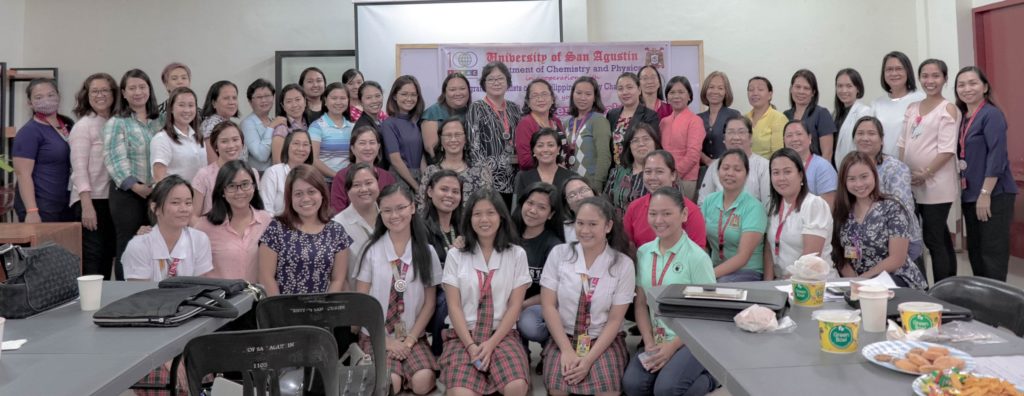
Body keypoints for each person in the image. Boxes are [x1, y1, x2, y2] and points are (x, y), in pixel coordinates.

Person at [623, 187, 717, 396]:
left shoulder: (697, 258)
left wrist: (672, 347)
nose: (659, 220)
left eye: (667, 213)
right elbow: (640, 304)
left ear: (683, 215)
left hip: (691, 339)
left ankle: (710, 378)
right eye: (653, 213)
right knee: (633, 386)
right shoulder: (644, 252)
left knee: (666, 389)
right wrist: (648, 340)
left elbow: (705, 313)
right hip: (657, 337)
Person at [440, 189, 531, 396]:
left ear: (501, 216)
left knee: (516, 387)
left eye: (490, 213)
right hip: (464, 334)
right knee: (462, 393)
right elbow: (453, 306)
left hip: (502, 333)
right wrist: (472, 346)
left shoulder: (516, 254)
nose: (484, 219)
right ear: (469, 218)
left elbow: (515, 306)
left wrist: (491, 343)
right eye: (477, 213)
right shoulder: (456, 255)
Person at [540, 197, 634, 396]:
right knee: (558, 388)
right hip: (564, 337)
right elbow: (548, 306)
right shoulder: (559, 254)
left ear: (608, 226)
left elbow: (615, 320)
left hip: (602, 340)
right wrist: (566, 350)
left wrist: (588, 360)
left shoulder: (623, 264)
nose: (584, 230)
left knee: (607, 391)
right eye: (580, 223)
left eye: (593, 224)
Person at [355, 184, 441, 395]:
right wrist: (387, 341)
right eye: (387, 210)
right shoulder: (371, 251)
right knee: (388, 383)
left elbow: (430, 304)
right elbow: (360, 302)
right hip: (377, 335)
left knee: (422, 383)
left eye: (400, 208)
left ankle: (406, 373)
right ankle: (398, 375)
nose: (394, 215)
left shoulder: (427, 252)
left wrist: (410, 340)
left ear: (412, 208)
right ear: (380, 212)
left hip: (413, 335)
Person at [897, 59, 959, 283]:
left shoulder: (947, 108)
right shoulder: (913, 107)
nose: (929, 81)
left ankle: (944, 289)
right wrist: (905, 174)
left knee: (934, 239)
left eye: (935, 76)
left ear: (944, 79)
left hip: (936, 186)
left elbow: (947, 150)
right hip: (913, 184)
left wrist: (925, 173)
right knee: (935, 236)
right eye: (925, 75)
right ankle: (942, 285)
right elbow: (903, 142)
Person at [954, 66, 1016, 281]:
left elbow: (996, 157)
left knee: (992, 255)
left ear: (985, 87)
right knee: (977, 254)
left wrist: (985, 193)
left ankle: (998, 309)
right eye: (961, 84)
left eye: (973, 83)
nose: (967, 88)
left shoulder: (991, 115)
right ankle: (982, 305)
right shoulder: (961, 118)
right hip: (970, 195)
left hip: (993, 194)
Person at [832, 153, 927, 288]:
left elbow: (897, 258)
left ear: (874, 176)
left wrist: (864, 279)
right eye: (851, 179)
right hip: (858, 282)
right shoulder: (841, 211)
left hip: (894, 278)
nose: (859, 184)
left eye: (864, 177)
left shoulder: (892, 207)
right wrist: (853, 281)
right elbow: (839, 255)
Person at [103, 68, 162, 280]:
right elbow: (114, 159)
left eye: (142, 87)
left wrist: (156, 189)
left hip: (157, 193)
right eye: (132, 88)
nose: (138, 92)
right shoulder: (117, 122)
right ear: (124, 93)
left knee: (156, 242)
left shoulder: (160, 121)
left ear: (149, 90)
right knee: (128, 244)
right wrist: (136, 186)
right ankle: (123, 293)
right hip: (127, 193)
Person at [258, 164, 353, 295]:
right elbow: (266, 278)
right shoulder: (276, 228)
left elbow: (338, 279)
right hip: (283, 309)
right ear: (290, 198)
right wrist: (279, 311)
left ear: (322, 194)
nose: (306, 198)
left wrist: (324, 308)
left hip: (324, 310)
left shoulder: (336, 231)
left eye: (311, 191)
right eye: (298, 194)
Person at [852, 116, 924, 263]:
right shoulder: (850, 167)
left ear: (882, 139)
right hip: (863, 242)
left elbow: (903, 210)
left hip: (898, 241)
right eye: (860, 133)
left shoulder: (895, 168)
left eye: (871, 134)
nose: (865, 138)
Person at [69, 72, 119, 278]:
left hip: (111, 200)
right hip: (90, 201)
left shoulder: (116, 122)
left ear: (114, 94)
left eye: (105, 90)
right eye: (95, 91)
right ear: (86, 95)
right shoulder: (84, 126)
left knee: (108, 256)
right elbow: (78, 170)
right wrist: (87, 206)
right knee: (93, 258)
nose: (100, 95)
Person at [512, 182, 565, 369]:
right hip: (507, 302)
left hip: (537, 304)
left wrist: (520, 305)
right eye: (530, 203)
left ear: (551, 214)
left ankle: (549, 346)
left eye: (541, 207)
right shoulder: (507, 234)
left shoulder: (554, 246)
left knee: (529, 323)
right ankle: (520, 351)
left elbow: (555, 292)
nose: (533, 210)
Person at [122, 175, 211, 281]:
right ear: (155, 208)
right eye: (175, 202)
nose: (184, 209)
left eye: (188, 203)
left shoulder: (199, 240)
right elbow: (138, 294)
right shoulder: (138, 246)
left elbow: (200, 288)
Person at [194, 160, 271, 282]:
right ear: (222, 191)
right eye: (232, 186)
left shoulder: (266, 221)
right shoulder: (204, 226)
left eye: (245, 184)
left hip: (257, 298)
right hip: (220, 299)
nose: (239, 192)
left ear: (254, 187)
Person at [764, 149, 835, 280]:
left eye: (787, 172)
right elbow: (769, 247)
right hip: (782, 284)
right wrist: (767, 285)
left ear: (801, 175)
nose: (781, 178)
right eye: (775, 173)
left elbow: (810, 260)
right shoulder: (772, 206)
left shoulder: (814, 205)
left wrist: (782, 284)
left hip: (813, 285)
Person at [700, 149, 768, 282]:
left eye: (737, 169)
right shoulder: (709, 201)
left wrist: (708, 274)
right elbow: (702, 242)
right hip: (715, 269)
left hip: (747, 271)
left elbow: (743, 257)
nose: (730, 173)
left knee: (721, 285)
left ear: (746, 174)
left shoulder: (754, 207)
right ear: (718, 171)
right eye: (725, 168)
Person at [13, 78, 75, 223]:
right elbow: (23, 174)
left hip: (64, 202)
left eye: (51, 95)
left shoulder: (67, 125)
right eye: (39, 97)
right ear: (30, 103)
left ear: (58, 97)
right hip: (41, 206)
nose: (46, 100)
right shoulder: (29, 132)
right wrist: (32, 211)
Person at [624, 150, 706, 251]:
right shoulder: (634, 207)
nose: (653, 177)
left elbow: (698, 253)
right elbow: (628, 245)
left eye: (659, 172)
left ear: (673, 175)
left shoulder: (690, 211)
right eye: (648, 172)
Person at [420, 169, 464, 356]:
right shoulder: (420, 226)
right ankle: (438, 352)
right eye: (444, 189)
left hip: (463, 286)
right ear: (430, 192)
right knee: (447, 299)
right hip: (431, 292)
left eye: (455, 191)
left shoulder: (464, 224)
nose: (449, 195)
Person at [467, 62, 523, 206]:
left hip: (515, 179)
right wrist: (484, 177)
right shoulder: (476, 108)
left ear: (508, 82)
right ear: (484, 84)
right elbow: (474, 147)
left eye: (500, 79)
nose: (496, 83)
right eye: (491, 79)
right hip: (488, 180)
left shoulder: (515, 109)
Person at [418, 116, 492, 208]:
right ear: (441, 140)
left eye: (458, 135)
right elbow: (422, 207)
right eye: (448, 135)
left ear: (465, 139)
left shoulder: (480, 171)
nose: (453, 139)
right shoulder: (431, 172)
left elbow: (488, 205)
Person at [698, 115, 771, 206]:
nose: (736, 137)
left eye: (741, 132)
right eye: (731, 132)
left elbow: (768, 205)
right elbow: (703, 202)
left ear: (750, 137)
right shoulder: (715, 166)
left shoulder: (763, 166)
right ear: (724, 138)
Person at [332, 162, 380, 289]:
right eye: (356, 185)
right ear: (347, 191)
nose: (364, 189)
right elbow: (338, 276)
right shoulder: (337, 225)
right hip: (358, 298)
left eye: (369, 183)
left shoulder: (390, 217)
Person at [871, 51, 926, 157]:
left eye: (899, 69)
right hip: (883, 165)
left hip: (914, 165)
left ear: (908, 71)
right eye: (889, 69)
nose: (894, 73)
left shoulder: (920, 99)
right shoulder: (876, 104)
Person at [330, 125, 397, 212]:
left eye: (372, 142)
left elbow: (393, 206)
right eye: (362, 143)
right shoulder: (342, 176)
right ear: (353, 148)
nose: (368, 148)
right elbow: (337, 210)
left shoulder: (388, 177)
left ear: (378, 147)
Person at [192, 121, 251, 216]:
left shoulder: (251, 173)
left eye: (235, 140)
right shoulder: (204, 175)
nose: (231, 146)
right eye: (224, 141)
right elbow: (193, 216)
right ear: (216, 146)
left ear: (242, 143)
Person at [659, 76, 705, 199]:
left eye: (681, 92)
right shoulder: (664, 122)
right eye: (672, 92)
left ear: (689, 96)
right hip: (664, 179)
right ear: (667, 97)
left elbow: (693, 155)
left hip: (686, 180)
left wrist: (674, 175)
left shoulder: (695, 121)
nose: (676, 96)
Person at [564, 76, 612, 192]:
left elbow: (604, 157)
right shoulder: (566, 123)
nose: (582, 98)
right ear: (572, 95)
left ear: (595, 98)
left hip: (590, 186)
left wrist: (597, 187)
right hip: (569, 184)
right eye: (578, 93)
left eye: (588, 94)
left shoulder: (598, 121)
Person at [604, 124, 662, 217]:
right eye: (635, 141)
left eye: (646, 139)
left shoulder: (665, 173)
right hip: (618, 228)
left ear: (655, 143)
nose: (641, 144)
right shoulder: (617, 172)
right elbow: (605, 204)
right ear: (629, 147)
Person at [150, 87, 204, 182]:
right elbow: (159, 179)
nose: (187, 110)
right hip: (175, 195)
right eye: (181, 105)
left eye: (191, 105)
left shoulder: (198, 136)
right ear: (171, 109)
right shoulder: (162, 139)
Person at [381, 75, 426, 190]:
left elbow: (421, 156)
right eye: (404, 94)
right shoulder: (388, 124)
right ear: (395, 96)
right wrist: (415, 186)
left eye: (413, 94)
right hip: (400, 178)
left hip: (419, 177)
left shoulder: (418, 122)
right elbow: (395, 160)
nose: (409, 98)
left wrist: (424, 181)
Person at [607, 72, 660, 167]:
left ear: (639, 90)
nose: (625, 92)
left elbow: (653, 148)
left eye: (629, 87)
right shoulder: (612, 115)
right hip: (615, 172)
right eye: (620, 89)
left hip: (640, 170)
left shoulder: (650, 116)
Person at [784, 69, 837, 161]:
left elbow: (827, 153)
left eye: (806, 88)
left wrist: (819, 173)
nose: (801, 91)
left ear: (813, 93)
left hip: (816, 171)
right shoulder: (785, 115)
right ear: (791, 89)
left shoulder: (821, 114)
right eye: (797, 87)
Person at [783, 120, 837, 206]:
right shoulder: (781, 168)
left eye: (799, 134)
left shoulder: (822, 166)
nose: (794, 139)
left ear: (809, 138)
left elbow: (828, 207)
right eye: (789, 135)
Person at [513, 128, 573, 204]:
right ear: (533, 150)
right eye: (540, 146)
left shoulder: (571, 177)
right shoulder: (523, 177)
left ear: (558, 149)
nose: (545, 149)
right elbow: (518, 210)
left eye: (550, 145)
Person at [309, 82, 354, 181]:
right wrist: (337, 176)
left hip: (349, 181)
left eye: (343, 98)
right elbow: (313, 160)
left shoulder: (352, 127)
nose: (338, 102)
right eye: (334, 98)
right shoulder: (316, 126)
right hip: (325, 183)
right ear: (325, 101)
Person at [515, 78, 564, 170]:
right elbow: (525, 161)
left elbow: (563, 151)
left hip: (561, 178)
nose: (540, 99)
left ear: (552, 99)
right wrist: (554, 166)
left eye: (544, 94)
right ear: (528, 102)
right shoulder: (525, 124)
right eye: (535, 95)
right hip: (538, 181)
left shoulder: (556, 121)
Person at [261, 130, 313, 215]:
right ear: (287, 146)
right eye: (296, 143)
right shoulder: (273, 173)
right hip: (277, 225)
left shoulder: (313, 175)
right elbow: (266, 211)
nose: (301, 149)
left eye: (305, 145)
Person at [422, 72, 471, 162]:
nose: (458, 93)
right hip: (442, 168)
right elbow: (431, 148)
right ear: (444, 92)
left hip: (469, 166)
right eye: (452, 90)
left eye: (462, 89)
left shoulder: (473, 112)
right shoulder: (433, 112)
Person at [698, 71, 742, 168]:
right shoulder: (697, 118)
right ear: (705, 90)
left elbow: (739, 146)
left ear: (726, 92)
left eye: (720, 88)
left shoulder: (734, 115)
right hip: (703, 171)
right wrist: (707, 160)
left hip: (729, 169)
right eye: (711, 87)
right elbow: (693, 147)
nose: (715, 91)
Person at [832, 68, 873, 165]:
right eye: (840, 86)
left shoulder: (864, 112)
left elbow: (866, 145)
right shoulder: (835, 114)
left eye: (849, 86)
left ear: (858, 88)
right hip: (837, 167)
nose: (843, 90)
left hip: (855, 166)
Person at [240, 79, 281, 171]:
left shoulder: (273, 120)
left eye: (267, 96)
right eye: (259, 97)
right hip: (259, 176)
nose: (264, 100)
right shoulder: (247, 123)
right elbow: (262, 155)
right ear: (250, 101)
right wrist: (271, 127)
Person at [745, 76, 787, 158]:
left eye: (760, 89)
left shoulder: (778, 118)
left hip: (769, 168)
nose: (755, 93)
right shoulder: (744, 118)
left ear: (770, 95)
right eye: (751, 90)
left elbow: (778, 155)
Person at [199, 80, 240, 163]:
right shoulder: (211, 125)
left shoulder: (227, 123)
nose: (232, 102)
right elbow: (213, 164)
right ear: (214, 103)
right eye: (226, 98)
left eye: (234, 98)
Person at [271, 84, 311, 164]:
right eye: (289, 101)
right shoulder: (282, 128)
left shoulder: (307, 124)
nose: (294, 105)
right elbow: (277, 161)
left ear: (305, 101)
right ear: (283, 106)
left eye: (298, 99)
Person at [560, 175, 594, 243]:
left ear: (594, 193)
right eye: (572, 195)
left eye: (584, 190)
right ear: (568, 206)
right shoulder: (564, 230)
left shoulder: (609, 220)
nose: (579, 198)